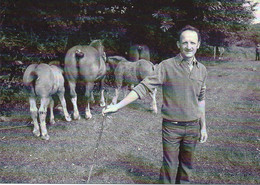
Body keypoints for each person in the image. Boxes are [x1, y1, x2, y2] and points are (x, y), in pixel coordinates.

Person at [102, 25, 208, 184]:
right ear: (178, 44)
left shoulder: (202, 70)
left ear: (198, 44)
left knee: (187, 168)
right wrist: (117, 106)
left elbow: (201, 99)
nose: (189, 46)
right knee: (169, 168)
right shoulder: (166, 66)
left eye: (193, 43)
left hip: (193, 127)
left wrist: (203, 126)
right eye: (185, 42)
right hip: (172, 127)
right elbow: (143, 87)